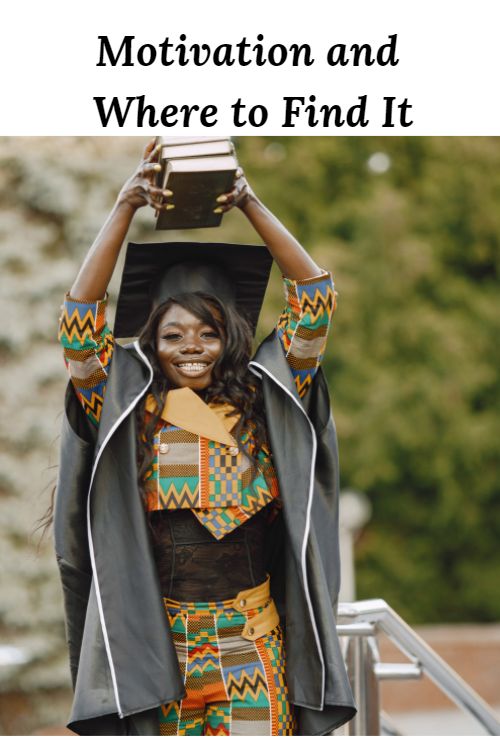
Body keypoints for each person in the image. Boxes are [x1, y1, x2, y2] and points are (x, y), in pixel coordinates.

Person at [54, 139, 356, 736]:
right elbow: (81, 332)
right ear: (152, 344)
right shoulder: (126, 410)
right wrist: (122, 209)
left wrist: (248, 202)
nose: (190, 346)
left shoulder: (267, 399)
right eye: (173, 335)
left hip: (247, 646)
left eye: (208, 332)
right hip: (159, 656)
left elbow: (315, 300)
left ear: (229, 338)